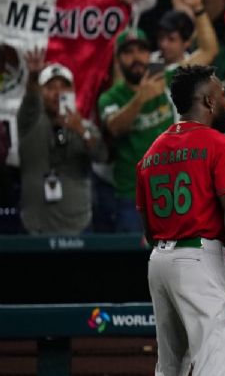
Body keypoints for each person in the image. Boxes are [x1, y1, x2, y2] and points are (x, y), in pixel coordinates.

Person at [136, 64, 225, 376]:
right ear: (207, 101)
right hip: (199, 258)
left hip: (161, 260)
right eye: (220, 95)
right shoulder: (221, 143)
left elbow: (146, 225)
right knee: (213, 370)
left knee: (169, 372)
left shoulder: (153, 150)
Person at [98, 28, 176, 233]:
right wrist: (142, 97)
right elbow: (114, 127)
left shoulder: (167, 81)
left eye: (141, 51)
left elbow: (206, 53)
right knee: (133, 262)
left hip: (173, 193)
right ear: (118, 60)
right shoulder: (110, 98)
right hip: (132, 197)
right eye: (128, 52)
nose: (136, 58)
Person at [18, 57, 107, 235]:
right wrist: (33, 78)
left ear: (73, 91)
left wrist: (81, 131)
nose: (57, 93)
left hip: (78, 225)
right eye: (50, 88)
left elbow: (102, 155)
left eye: (63, 87)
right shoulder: (29, 123)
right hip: (36, 226)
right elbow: (30, 103)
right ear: (40, 93)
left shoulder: (84, 126)